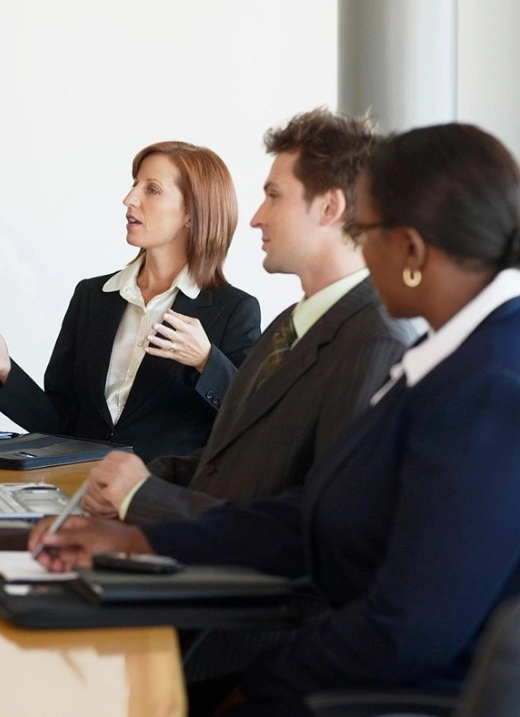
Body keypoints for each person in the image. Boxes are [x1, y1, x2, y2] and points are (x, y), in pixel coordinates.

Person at [30, 123, 520, 717]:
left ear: (414, 251)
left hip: (394, 713)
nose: (360, 253)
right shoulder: (462, 357)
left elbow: (406, 630)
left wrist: (254, 684)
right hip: (364, 682)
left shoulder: (498, 387)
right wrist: (140, 535)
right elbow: (315, 515)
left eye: (366, 234)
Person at [81, 109, 415, 524]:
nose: (257, 217)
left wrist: (143, 500)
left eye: (274, 195)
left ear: (330, 207)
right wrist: (137, 483)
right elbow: (237, 461)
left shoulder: (376, 342)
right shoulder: (288, 326)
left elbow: (321, 524)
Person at [0, 142, 261, 462]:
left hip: (159, 501)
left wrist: (205, 360)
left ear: (191, 213)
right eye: (135, 185)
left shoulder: (234, 311)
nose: (129, 199)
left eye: (152, 189)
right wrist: (4, 368)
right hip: (76, 487)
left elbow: (253, 421)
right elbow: (59, 425)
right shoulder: (92, 297)